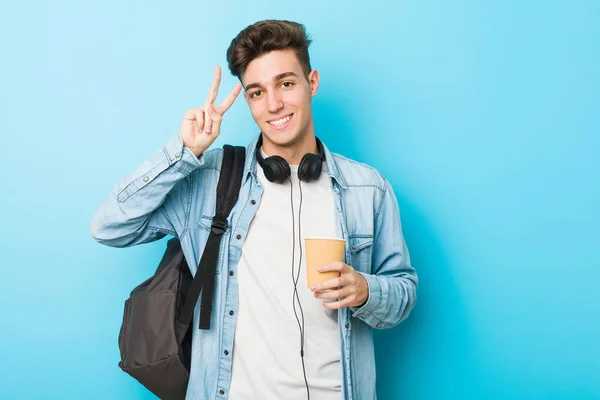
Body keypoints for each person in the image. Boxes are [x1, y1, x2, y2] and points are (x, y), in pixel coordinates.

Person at [91, 19, 418, 400]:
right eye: (257, 92)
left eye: (286, 83)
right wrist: (183, 152)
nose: (274, 104)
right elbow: (109, 227)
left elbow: (403, 292)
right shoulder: (210, 179)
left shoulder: (367, 188)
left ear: (311, 82)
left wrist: (365, 290)